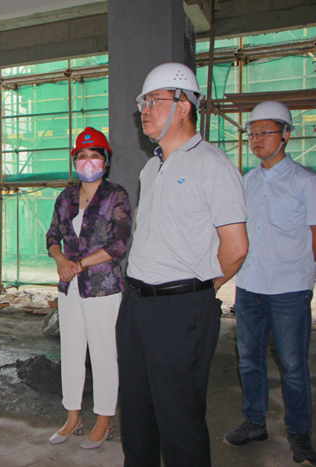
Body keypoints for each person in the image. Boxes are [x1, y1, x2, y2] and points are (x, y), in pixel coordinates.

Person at [117, 62, 249, 467]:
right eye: (143, 103)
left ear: (184, 105)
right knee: (136, 414)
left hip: (180, 309)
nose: (145, 110)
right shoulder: (151, 166)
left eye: (154, 101)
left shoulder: (213, 166)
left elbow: (236, 248)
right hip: (136, 304)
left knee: (179, 420)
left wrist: (201, 287)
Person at [223, 101, 316, 465]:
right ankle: (254, 422)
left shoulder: (305, 182)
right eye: (252, 133)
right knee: (249, 361)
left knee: (293, 367)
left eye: (265, 132)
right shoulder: (246, 182)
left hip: (289, 289)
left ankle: (299, 433)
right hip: (249, 287)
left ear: (286, 135)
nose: (256, 139)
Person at [45, 127, 132, 449]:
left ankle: (104, 420)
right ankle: (72, 416)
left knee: (103, 352)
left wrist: (80, 264)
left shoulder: (116, 195)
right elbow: (53, 236)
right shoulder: (66, 197)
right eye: (81, 155)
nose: (87, 161)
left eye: (94, 155)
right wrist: (60, 260)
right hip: (69, 285)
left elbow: (120, 242)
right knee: (70, 351)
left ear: (105, 161)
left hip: (102, 287)